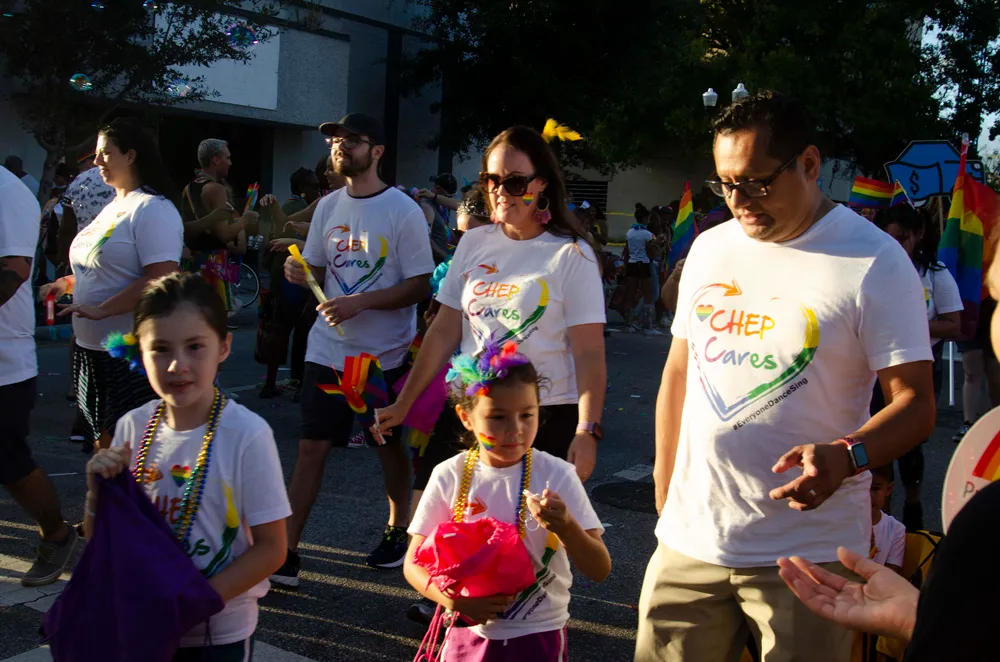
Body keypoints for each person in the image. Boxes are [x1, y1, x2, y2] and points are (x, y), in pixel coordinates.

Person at [635, 91, 935, 662]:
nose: (739, 202)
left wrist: (847, 455)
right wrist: (664, 478)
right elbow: (679, 372)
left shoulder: (874, 260)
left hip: (810, 557)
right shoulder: (709, 248)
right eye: (726, 184)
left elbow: (917, 403)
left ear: (810, 163)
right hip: (690, 542)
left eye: (757, 182)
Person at [778, 247, 1000, 660]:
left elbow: (916, 406)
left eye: (998, 299)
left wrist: (937, 626)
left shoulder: (987, 521)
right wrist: (917, 617)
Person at [376, 125, 607, 486]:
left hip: (540, 417)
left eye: (515, 182)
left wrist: (587, 429)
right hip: (472, 407)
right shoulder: (474, 243)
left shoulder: (572, 254)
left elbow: (589, 352)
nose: (500, 191)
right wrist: (404, 401)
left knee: (522, 523)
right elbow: (444, 331)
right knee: (428, 515)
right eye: (491, 180)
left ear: (541, 184)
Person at [84, 272, 290, 658]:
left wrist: (188, 606)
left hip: (217, 633)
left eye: (195, 346)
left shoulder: (247, 434)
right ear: (139, 352)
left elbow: (271, 548)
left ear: (223, 347)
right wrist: (96, 494)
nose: (178, 365)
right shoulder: (132, 427)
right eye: (160, 349)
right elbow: (102, 539)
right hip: (139, 621)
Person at [272, 112, 435, 584]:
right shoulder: (327, 207)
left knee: (386, 447)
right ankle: (286, 552)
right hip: (326, 351)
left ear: (377, 151)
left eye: (352, 140)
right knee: (310, 447)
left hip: (379, 358)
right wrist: (300, 273)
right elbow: (319, 273)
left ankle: (398, 528)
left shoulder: (402, 210)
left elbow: (420, 285)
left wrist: (361, 302)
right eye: (335, 141)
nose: (340, 147)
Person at [404, 341, 611, 660]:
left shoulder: (557, 475)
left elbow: (599, 569)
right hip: (465, 633)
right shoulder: (449, 475)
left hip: (538, 634)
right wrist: (454, 601)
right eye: (497, 417)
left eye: (527, 415)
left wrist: (566, 527)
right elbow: (413, 563)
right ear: (466, 417)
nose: (515, 429)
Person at [39, 118, 183, 453]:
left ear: (131, 155)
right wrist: (65, 284)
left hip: (128, 354)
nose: (97, 161)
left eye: (105, 153)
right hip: (90, 350)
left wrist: (103, 310)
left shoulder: (153, 208)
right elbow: (104, 272)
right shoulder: (114, 207)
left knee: (131, 454)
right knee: (103, 453)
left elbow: (160, 277)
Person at [0, 165, 79, 586]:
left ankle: (57, 534)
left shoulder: (6, 190)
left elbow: (13, 271)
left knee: (9, 463)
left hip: (4, 364)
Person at [871, 204, 962, 531]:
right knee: (877, 443)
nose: (895, 245)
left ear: (918, 235)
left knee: (909, 446)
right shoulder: (870, 271)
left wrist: (912, 324)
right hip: (876, 371)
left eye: (902, 238)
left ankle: (913, 510)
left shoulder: (935, 274)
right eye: (888, 238)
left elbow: (953, 325)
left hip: (920, 369)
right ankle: (880, 516)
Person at [258, 168, 323, 399]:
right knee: (301, 331)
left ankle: (274, 383)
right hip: (295, 279)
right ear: (303, 188)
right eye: (314, 186)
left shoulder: (294, 205)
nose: (318, 190)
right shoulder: (308, 206)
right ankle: (299, 383)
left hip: (283, 277)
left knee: (280, 330)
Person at [180, 139, 258, 312]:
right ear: (215, 160)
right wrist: (245, 220)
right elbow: (224, 234)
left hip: (191, 266)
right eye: (227, 158)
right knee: (215, 319)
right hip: (213, 267)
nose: (230, 163)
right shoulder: (216, 189)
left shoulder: (188, 188)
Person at [621, 204, 665, 335]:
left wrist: (625, 265)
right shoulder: (647, 234)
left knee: (630, 294)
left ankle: (628, 324)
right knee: (648, 296)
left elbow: (626, 250)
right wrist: (661, 242)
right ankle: (648, 327)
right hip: (644, 264)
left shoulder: (630, 232)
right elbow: (653, 250)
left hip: (632, 264)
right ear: (645, 218)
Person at [868, 463, 905, 574]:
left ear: (888, 489)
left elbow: (891, 576)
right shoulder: (841, 523)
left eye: (875, 488)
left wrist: (867, 553)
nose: (868, 496)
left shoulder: (896, 530)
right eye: (862, 489)